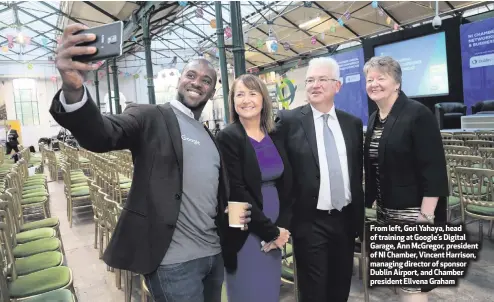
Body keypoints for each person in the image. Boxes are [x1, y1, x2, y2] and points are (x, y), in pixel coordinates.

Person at [50, 23, 252, 302]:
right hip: (172, 261)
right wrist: (74, 90)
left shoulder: (209, 135)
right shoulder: (150, 117)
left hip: (213, 255)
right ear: (179, 80)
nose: (197, 82)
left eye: (206, 80)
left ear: (213, 90)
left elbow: (214, 192)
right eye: (191, 75)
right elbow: (101, 135)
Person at [276, 57, 364, 302]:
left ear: (337, 86)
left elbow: (357, 172)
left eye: (322, 79)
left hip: (345, 221)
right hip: (309, 222)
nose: (315, 85)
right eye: (310, 80)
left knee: (340, 289)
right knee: (313, 293)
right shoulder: (289, 121)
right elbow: (279, 173)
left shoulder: (352, 124)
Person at [363, 56, 448, 302]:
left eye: (381, 78)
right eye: (370, 79)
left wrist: (427, 217)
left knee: (412, 285)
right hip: (386, 211)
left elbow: (434, 169)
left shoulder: (417, 114)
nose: (374, 84)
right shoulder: (375, 118)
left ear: (397, 83)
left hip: (414, 213)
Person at [216, 74, 292, 302]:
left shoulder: (276, 134)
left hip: (276, 227)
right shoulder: (228, 137)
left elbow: (288, 184)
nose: (246, 100)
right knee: (246, 290)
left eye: (252, 93)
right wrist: (271, 232)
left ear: (263, 99)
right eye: (240, 94)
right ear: (232, 101)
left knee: (268, 292)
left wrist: (282, 230)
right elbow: (237, 191)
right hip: (245, 228)